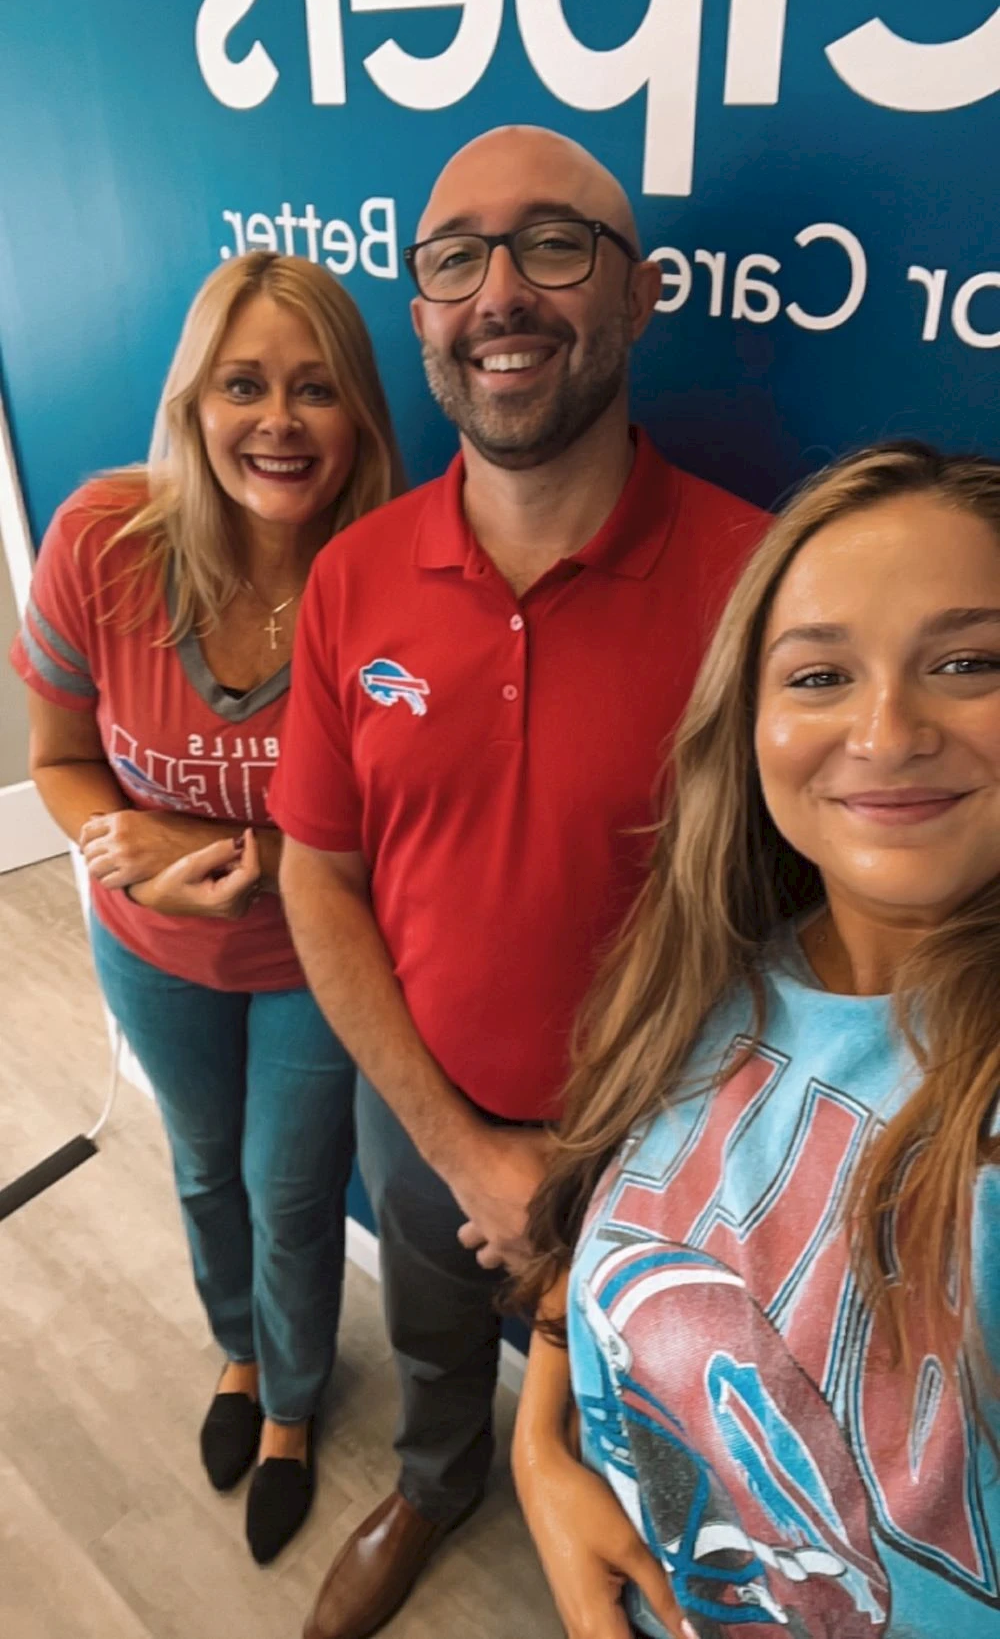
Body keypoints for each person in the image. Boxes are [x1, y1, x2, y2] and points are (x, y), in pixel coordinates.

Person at [268, 125, 769, 1639]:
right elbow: (318, 872)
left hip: (673, 1153)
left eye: (554, 245)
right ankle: (437, 1481)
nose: (500, 292)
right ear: (421, 307)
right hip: (418, 1105)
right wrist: (465, 1148)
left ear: (640, 292)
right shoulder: (353, 574)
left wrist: (596, 1168)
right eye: (455, 258)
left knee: (647, 1415)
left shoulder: (762, 582)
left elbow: (796, 928)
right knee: (433, 1341)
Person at [511, 441, 1000, 1639]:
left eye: (967, 662)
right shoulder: (701, 980)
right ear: (750, 719)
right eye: (820, 674)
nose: (885, 731)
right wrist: (538, 1449)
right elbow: (603, 1227)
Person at [11, 251, 401, 1564]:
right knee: (200, 1166)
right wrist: (131, 851)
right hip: (150, 943)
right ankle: (238, 1351)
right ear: (194, 400)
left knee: (290, 1194)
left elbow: (400, 831)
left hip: (316, 960)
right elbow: (62, 759)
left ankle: (291, 1404)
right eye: (244, 384)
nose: (278, 421)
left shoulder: (394, 577)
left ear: (359, 415)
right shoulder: (99, 540)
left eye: (315, 388)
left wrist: (214, 844)